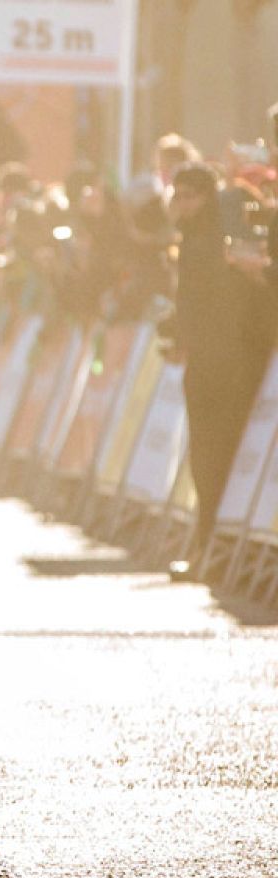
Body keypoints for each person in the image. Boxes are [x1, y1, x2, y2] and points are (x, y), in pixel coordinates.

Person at [161, 161, 275, 581]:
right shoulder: (190, 238)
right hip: (203, 363)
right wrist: (176, 332)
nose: (180, 203)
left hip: (230, 365)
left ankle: (220, 550)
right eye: (177, 194)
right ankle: (207, 545)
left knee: (221, 458)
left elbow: (232, 302)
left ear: (207, 196)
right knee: (203, 458)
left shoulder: (222, 239)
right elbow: (189, 300)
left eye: (189, 195)